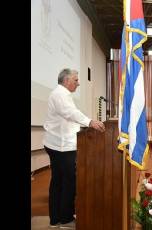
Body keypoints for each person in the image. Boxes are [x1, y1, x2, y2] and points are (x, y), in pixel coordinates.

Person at [43, 68, 105, 228]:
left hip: (59, 145)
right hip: (60, 146)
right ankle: (65, 218)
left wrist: (85, 123)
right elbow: (70, 113)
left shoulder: (63, 94)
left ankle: (56, 218)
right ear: (66, 81)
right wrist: (90, 122)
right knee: (68, 181)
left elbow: (70, 116)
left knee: (59, 181)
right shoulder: (59, 94)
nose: (78, 83)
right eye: (76, 80)